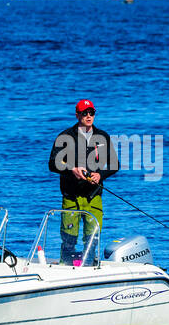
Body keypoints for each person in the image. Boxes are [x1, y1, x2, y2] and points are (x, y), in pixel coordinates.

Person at [48, 99, 118, 264]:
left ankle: (90, 264)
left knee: (92, 236)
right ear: (77, 115)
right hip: (71, 196)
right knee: (69, 238)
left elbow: (115, 164)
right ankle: (65, 263)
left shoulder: (102, 137)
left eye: (91, 113)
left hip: (93, 196)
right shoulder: (65, 137)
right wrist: (71, 169)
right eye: (84, 113)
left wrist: (100, 175)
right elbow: (52, 163)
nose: (88, 116)